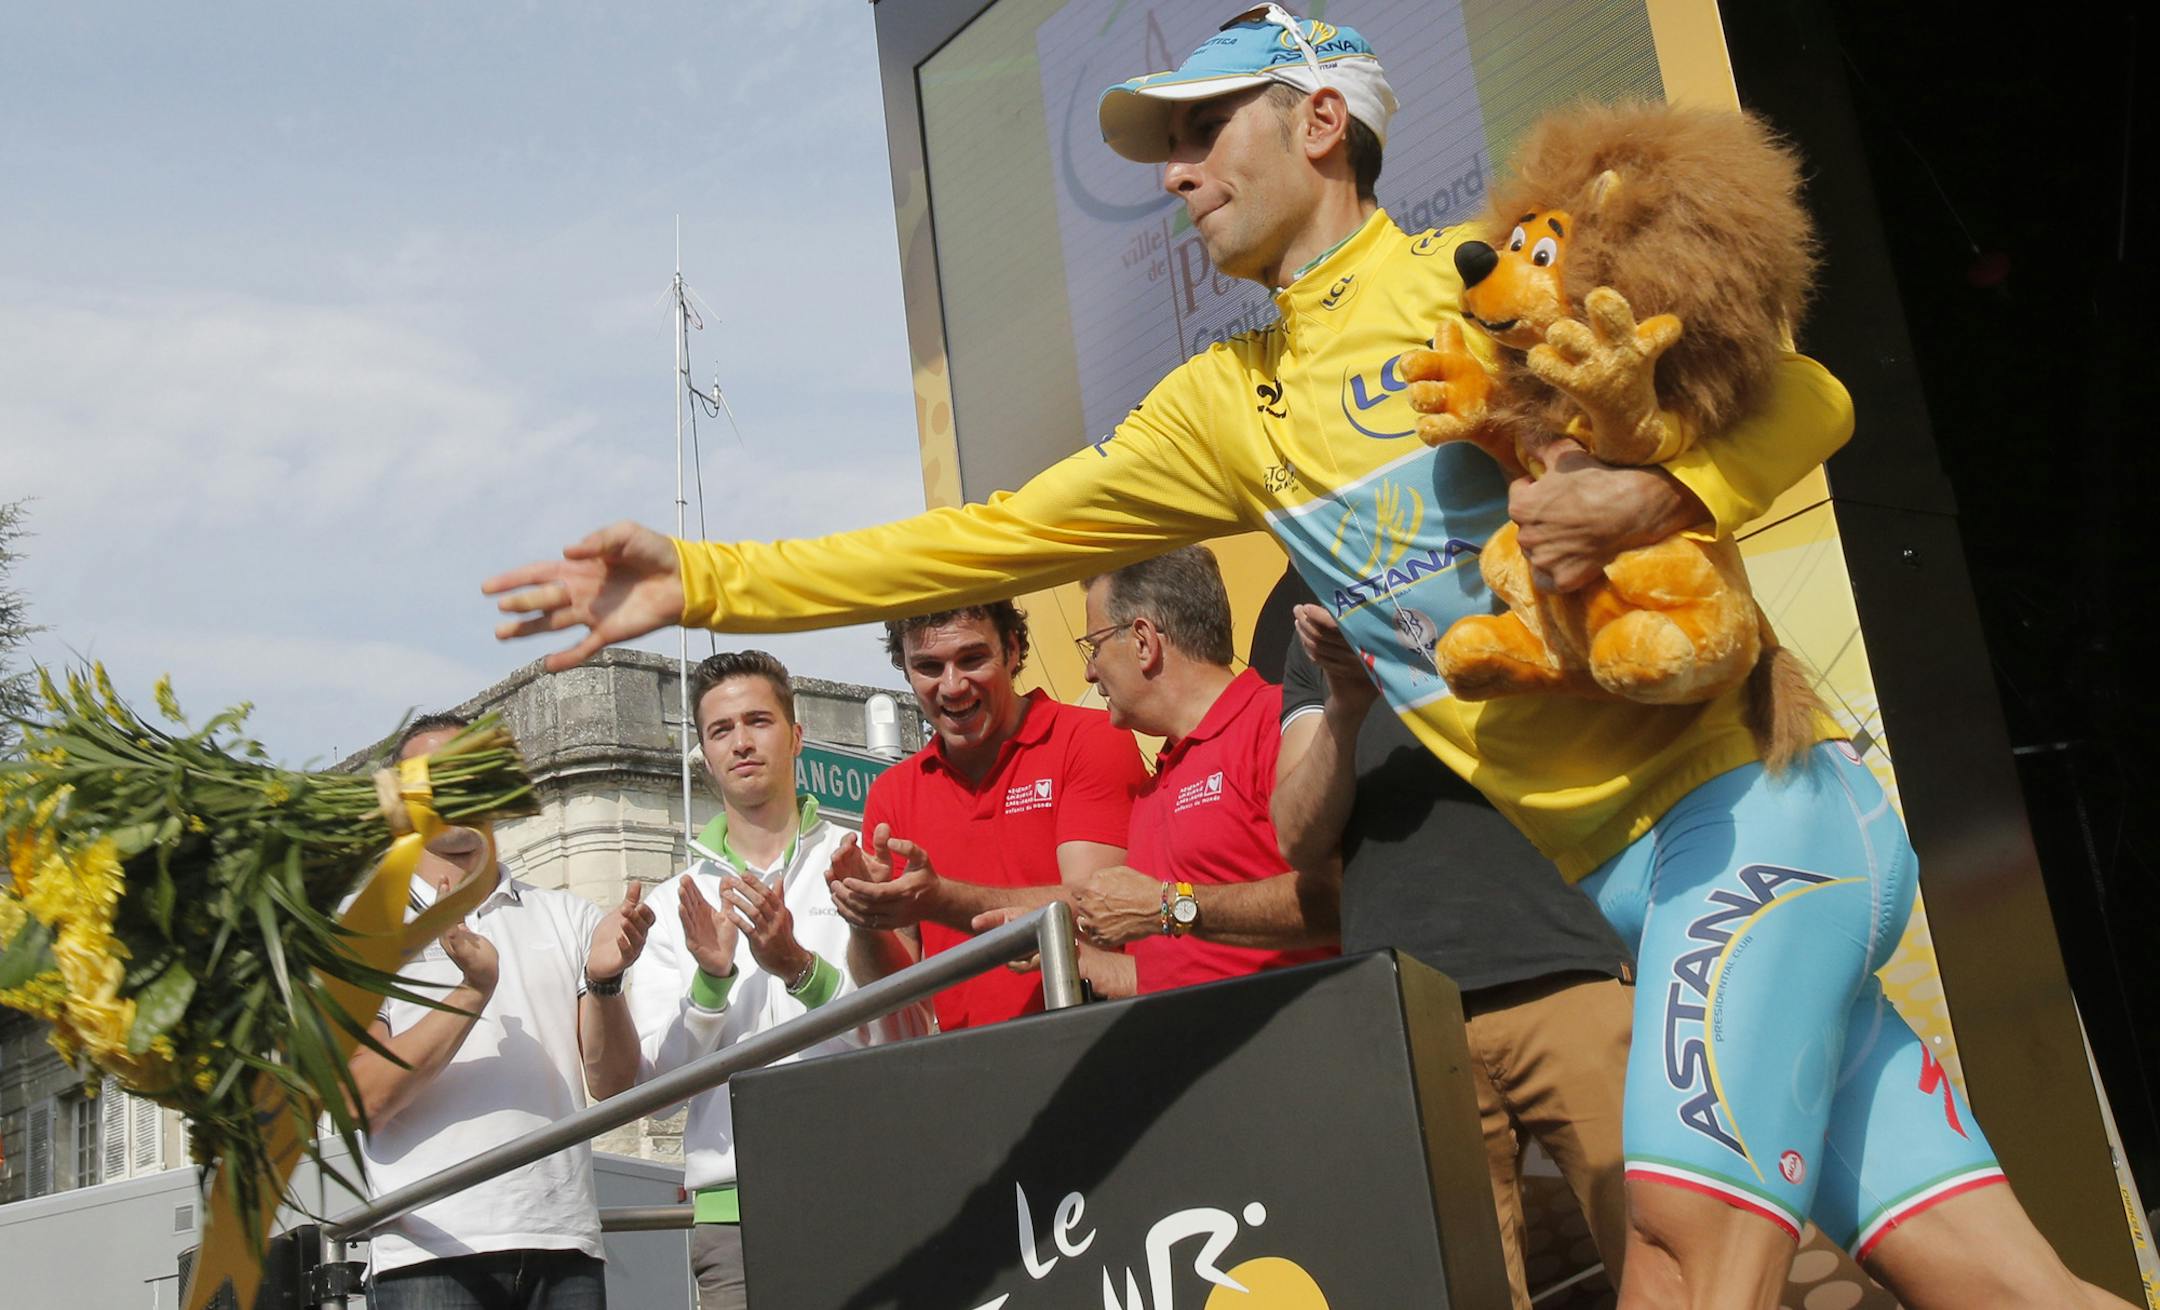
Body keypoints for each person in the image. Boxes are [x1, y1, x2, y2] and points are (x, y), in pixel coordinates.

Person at [484, 8, 2127, 1307]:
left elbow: (1810, 397)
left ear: (1320, 121)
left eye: (1203, 131)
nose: (1176, 173)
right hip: (1644, 882)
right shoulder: (1225, 408)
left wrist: (1654, 482)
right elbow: (978, 542)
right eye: (1162, 146)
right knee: (1998, 1284)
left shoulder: (1471, 280)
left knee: (1680, 1270)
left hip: (1760, 827)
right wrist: (701, 575)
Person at [1274, 585, 1634, 1309]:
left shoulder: (1495, 553)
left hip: (1568, 969)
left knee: (1677, 1260)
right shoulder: (1319, 624)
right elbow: (1297, 837)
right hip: (1413, 1018)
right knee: (1465, 1293)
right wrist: (1346, 706)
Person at [623, 651, 927, 1310]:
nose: (740, 741)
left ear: (796, 735)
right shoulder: (676, 900)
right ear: (703, 752)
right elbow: (656, 1095)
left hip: (869, 1187)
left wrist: (800, 969)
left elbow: (910, 1039)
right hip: (736, 1217)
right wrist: (711, 982)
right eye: (720, 729)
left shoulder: (858, 861)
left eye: (758, 720)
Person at [348, 713, 652, 1310]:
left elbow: (612, 1083)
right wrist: (471, 994)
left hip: (564, 1246)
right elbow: (364, 1098)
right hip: (426, 1252)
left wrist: (604, 983)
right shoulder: (361, 928)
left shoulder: (570, 919)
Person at [822, 602, 1149, 1029]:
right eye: (929, 667)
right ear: (904, 670)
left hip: (1097, 1041)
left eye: (972, 659)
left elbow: (1098, 912)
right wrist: (867, 915)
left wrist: (939, 899)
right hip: (969, 1068)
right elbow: (894, 994)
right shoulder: (893, 792)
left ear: (1012, 650)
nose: (953, 685)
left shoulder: (1089, 739)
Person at [1055, 547, 1334, 998]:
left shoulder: (1278, 724)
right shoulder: (1154, 784)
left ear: (1143, 640)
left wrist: (1168, 906)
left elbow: (1338, 901)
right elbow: (1188, 969)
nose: (1090, 671)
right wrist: (1080, 959)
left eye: (1095, 645)